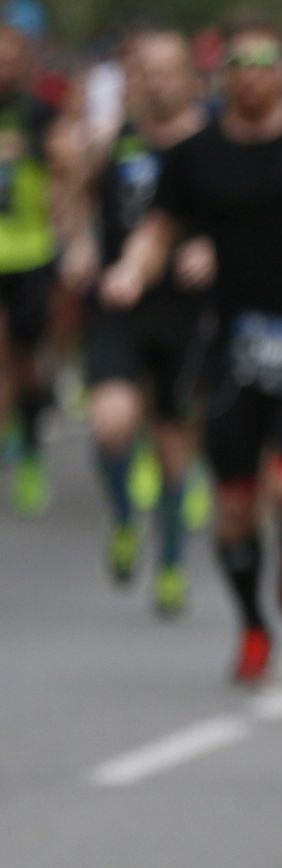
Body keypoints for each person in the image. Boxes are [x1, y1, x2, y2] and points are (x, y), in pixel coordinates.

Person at [104, 19, 282, 684]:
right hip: (232, 341)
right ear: (224, 76)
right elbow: (160, 225)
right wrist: (135, 266)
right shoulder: (197, 154)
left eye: (264, 62)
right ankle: (252, 627)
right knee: (235, 510)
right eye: (238, 63)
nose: (251, 75)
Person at [61, 29, 209, 613]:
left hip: (186, 311)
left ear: (190, 77)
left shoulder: (211, 142)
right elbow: (71, 193)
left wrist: (211, 249)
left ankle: (171, 567)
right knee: (110, 423)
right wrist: (76, 244)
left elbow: (242, 217)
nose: (155, 81)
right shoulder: (113, 139)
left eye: (167, 70)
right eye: (144, 70)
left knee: (175, 451)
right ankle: (125, 518)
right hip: (121, 303)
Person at [0, 25, 70, 515]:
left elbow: (68, 172)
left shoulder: (40, 113)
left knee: (24, 363)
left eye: (9, 59)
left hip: (31, 252)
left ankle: (29, 452)